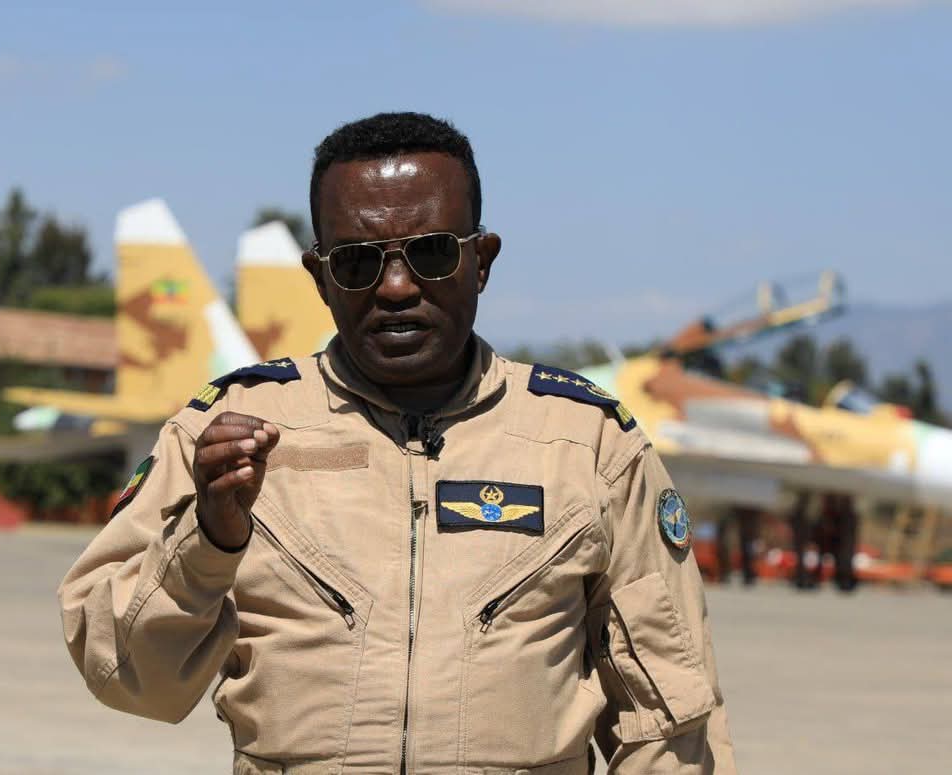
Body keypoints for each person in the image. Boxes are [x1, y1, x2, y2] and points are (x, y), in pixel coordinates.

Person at [59, 112, 736, 774]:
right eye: (356, 262)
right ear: (319, 278)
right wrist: (207, 541)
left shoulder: (587, 445)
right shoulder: (228, 439)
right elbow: (127, 677)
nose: (395, 287)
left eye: (432, 253)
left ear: (481, 261)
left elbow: (670, 726)